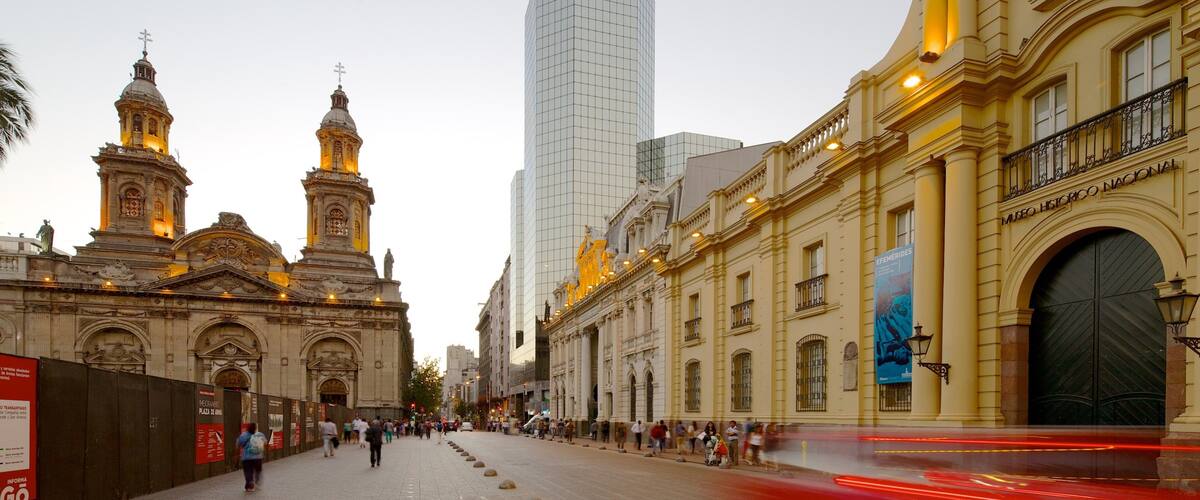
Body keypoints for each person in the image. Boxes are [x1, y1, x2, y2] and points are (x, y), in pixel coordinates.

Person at [236, 422, 267, 492]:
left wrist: (238, 454)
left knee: (248, 471)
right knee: (258, 471)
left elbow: (238, 444)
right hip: (258, 457)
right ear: (256, 428)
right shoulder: (260, 434)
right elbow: (265, 442)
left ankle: (250, 482)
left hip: (246, 458)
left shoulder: (244, 435)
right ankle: (256, 482)